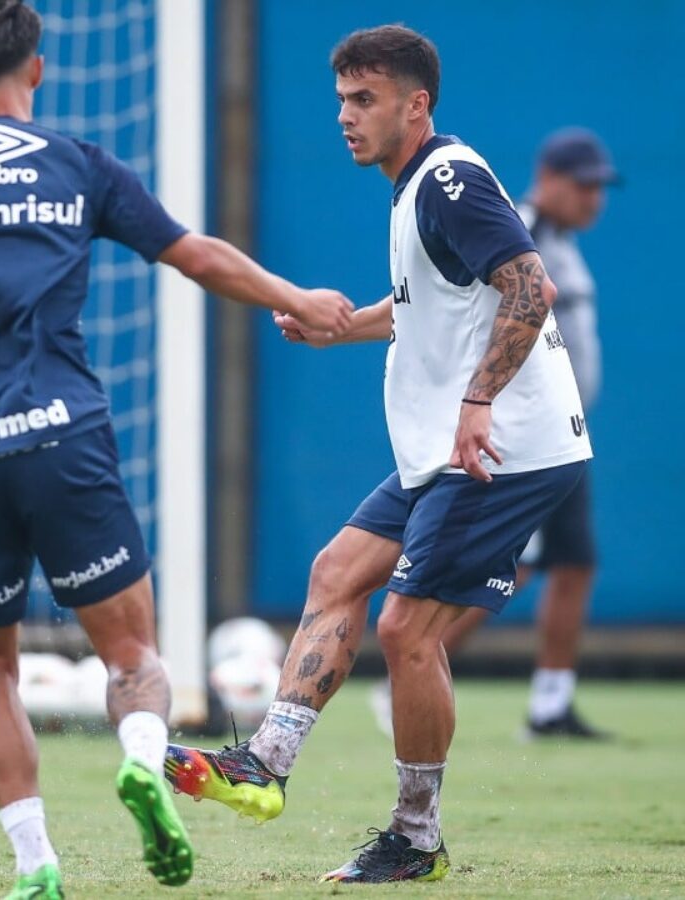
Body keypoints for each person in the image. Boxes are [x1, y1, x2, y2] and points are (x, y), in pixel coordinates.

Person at [0, 1, 352, 895]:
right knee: (133, 659)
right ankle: (138, 755)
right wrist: (301, 297)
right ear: (39, 70)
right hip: (65, 438)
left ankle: (33, 860)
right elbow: (193, 253)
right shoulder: (78, 165)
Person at [162, 24, 592, 884]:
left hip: (503, 449)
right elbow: (435, 305)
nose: (346, 118)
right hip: (450, 444)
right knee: (337, 570)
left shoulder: (450, 181)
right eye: (340, 102)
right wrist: (344, 329)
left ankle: (415, 837)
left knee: (405, 631)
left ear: (415, 104)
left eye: (364, 101)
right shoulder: (415, 189)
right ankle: (267, 764)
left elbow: (528, 288)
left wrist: (477, 404)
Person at [427, 129, 617, 739]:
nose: (595, 199)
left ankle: (550, 704)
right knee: (511, 568)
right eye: (585, 185)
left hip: (565, 434)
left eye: (600, 187)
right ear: (551, 177)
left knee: (574, 561)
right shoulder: (522, 228)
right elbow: (481, 313)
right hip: (521, 432)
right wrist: (483, 404)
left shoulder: (563, 238)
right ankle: (418, 667)